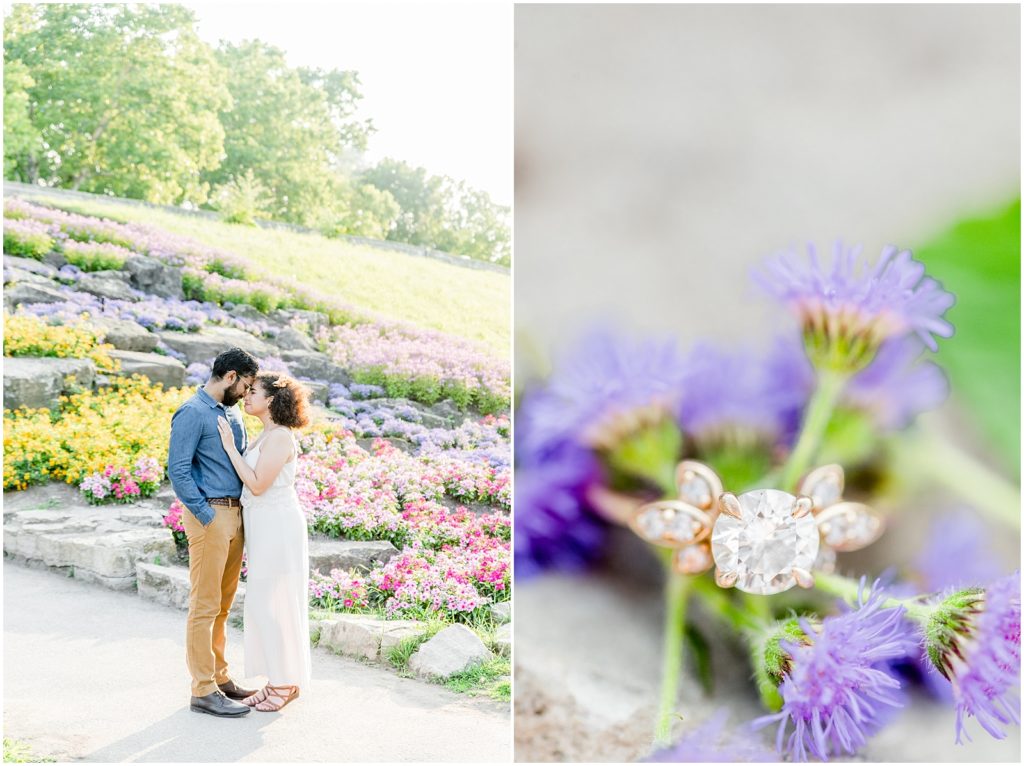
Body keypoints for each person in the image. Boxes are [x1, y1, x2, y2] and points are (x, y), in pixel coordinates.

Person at [168, 347, 260, 718]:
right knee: (204, 607)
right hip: (211, 517)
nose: (247, 393)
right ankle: (202, 689)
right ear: (232, 376)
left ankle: (220, 678)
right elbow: (178, 470)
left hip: (235, 515)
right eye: (247, 385)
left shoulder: (231, 413)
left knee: (222, 606)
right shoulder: (192, 412)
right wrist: (207, 516)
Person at [217, 371, 312, 712]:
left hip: (278, 525)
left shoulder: (282, 438)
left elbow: (257, 484)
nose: (246, 395)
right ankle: (277, 679)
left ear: (271, 399)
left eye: (253, 391)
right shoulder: (265, 435)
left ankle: (285, 682)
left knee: (273, 603)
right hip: (263, 525)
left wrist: (229, 448)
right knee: (264, 604)